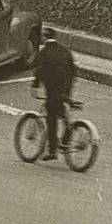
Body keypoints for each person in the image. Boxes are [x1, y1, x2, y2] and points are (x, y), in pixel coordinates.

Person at [30, 21, 77, 162]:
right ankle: (66, 139)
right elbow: (74, 70)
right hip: (66, 89)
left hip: (53, 91)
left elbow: (40, 71)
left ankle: (52, 151)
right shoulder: (65, 50)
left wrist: (35, 85)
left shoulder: (44, 52)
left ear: (44, 38)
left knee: (51, 119)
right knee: (63, 114)